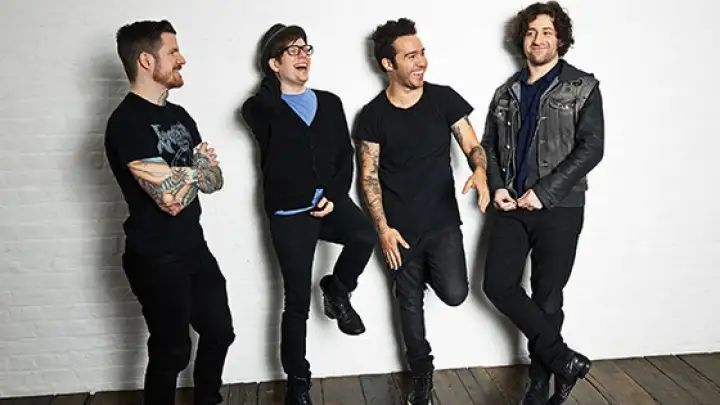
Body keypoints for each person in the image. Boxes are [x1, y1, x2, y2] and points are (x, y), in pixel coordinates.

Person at [354, 18, 491, 405]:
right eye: (411, 56)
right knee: (408, 303)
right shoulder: (373, 116)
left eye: (422, 53)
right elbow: (368, 177)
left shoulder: (443, 99)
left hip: (442, 223)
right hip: (399, 231)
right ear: (388, 64)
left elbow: (472, 145)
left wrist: (480, 170)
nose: (421, 62)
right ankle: (421, 374)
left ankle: (421, 274)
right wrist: (383, 229)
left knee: (455, 292)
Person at [241, 23, 377, 405]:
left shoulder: (330, 103)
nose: (303, 56)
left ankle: (337, 290)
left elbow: (344, 157)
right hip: (289, 215)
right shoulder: (260, 109)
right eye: (293, 50)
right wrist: (276, 85)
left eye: (306, 49)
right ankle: (298, 382)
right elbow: (261, 110)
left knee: (364, 235)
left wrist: (334, 195)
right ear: (274, 63)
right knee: (296, 301)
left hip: (327, 204)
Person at [103, 20, 236, 405]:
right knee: (172, 351)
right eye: (173, 52)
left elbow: (215, 180)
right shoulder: (127, 123)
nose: (182, 59)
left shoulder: (179, 115)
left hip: (194, 247)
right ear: (146, 60)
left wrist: (181, 175)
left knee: (219, 331)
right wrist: (195, 171)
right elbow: (169, 199)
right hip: (155, 256)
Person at [480, 2, 604, 404]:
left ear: (561, 39)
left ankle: (539, 383)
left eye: (547, 32)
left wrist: (545, 192)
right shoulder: (506, 92)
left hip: (560, 207)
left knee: (548, 296)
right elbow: (489, 146)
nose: (538, 39)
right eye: (531, 32)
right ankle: (563, 360)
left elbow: (592, 148)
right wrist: (497, 186)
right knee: (498, 285)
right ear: (522, 39)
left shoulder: (583, 86)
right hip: (512, 207)